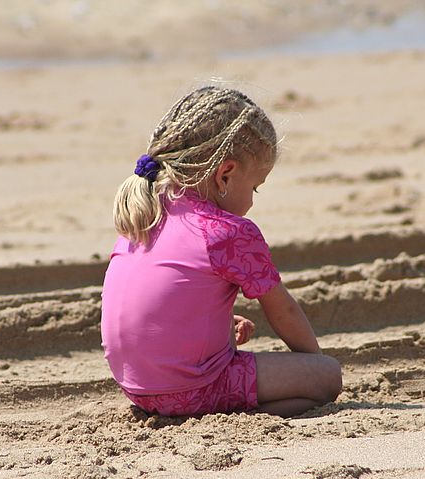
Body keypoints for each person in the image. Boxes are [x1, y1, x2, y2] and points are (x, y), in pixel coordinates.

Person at [101, 86, 342, 418]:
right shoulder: (227, 231)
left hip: (137, 389)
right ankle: (233, 412)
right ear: (225, 175)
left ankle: (206, 404)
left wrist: (220, 325)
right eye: (255, 187)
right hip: (193, 389)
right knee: (326, 377)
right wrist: (313, 362)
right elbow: (282, 310)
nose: (254, 199)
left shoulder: (145, 209)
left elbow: (163, 299)